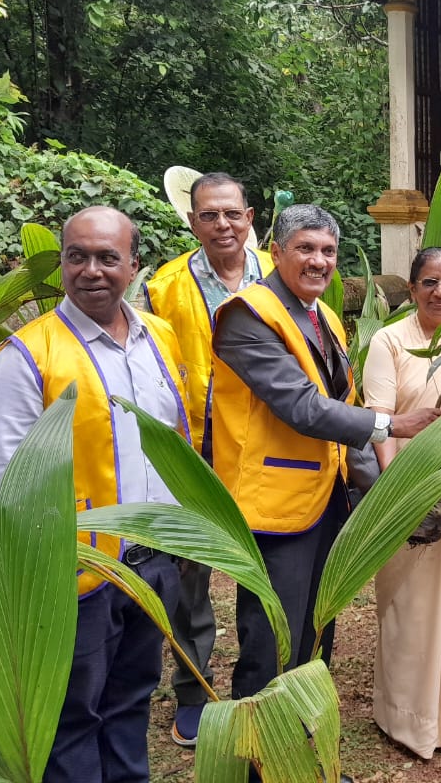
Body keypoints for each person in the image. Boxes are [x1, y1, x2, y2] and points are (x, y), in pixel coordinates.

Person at [0, 207, 189, 783]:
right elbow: (0, 489)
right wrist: (22, 587)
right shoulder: (24, 358)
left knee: (131, 701)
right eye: (77, 256)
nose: (91, 270)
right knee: (71, 718)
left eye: (107, 257)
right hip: (72, 576)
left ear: (134, 265)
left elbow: (173, 446)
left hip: (151, 565)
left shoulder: (160, 339)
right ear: (61, 263)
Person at [210, 204, 439, 701]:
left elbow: (341, 405)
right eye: (306, 249)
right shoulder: (246, 315)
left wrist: (386, 495)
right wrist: (391, 425)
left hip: (325, 499)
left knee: (316, 633)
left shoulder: (324, 314)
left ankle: (307, 755)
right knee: (273, 642)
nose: (319, 261)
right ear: (275, 253)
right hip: (276, 507)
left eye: (328, 251)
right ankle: (259, 768)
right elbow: (302, 406)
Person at [142, 171, 271, 747]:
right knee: (191, 574)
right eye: (209, 215)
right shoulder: (164, 285)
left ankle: (259, 683)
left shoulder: (281, 268)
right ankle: (193, 689)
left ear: (250, 217)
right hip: (196, 444)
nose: (222, 224)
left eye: (232, 213)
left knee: (264, 560)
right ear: (193, 222)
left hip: (270, 446)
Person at [364, 247, 441, 757]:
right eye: (430, 282)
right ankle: (404, 714)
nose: (440, 292)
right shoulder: (388, 340)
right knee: (409, 605)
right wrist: (404, 492)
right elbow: (381, 419)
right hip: (406, 494)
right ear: (412, 288)